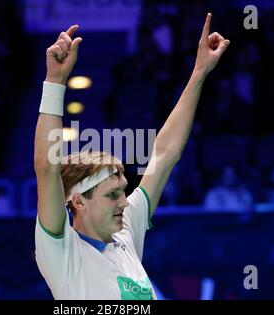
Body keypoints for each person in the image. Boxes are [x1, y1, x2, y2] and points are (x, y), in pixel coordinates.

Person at [34, 13, 230, 300]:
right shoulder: (62, 252)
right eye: (113, 195)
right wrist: (54, 81)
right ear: (78, 201)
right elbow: (46, 166)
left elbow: (165, 154)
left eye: (122, 192)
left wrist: (200, 71)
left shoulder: (124, 231)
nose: (125, 202)